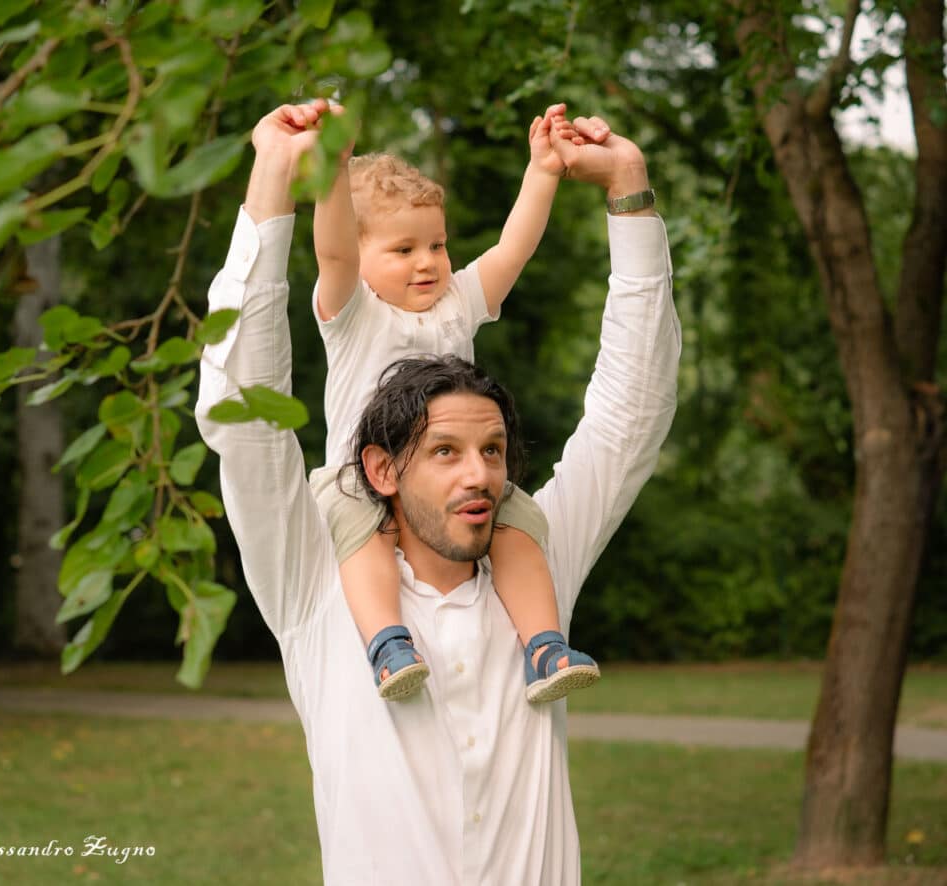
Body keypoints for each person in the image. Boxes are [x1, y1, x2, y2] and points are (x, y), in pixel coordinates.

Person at [196, 98, 679, 885]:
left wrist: (627, 189)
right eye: (446, 451)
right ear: (383, 470)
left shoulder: (536, 566)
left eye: (492, 450)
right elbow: (244, 412)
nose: (481, 474)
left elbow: (634, 412)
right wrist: (275, 179)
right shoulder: (316, 585)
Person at [310, 104, 600, 703]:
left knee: (518, 523)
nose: (427, 261)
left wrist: (543, 171)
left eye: (437, 245)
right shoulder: (353, 315)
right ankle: (388, 643)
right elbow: (334, 253)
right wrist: (332, 172)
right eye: (402, 250)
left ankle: (544, 646)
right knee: (361, 533)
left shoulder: (457, 302)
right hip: (361, 477)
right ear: (363, 258)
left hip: (448, 473)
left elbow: (511, 251)